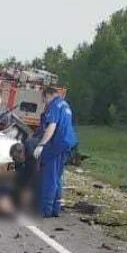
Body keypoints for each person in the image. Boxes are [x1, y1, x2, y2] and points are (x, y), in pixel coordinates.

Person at [34, 85, 78, 218]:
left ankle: (45, 210)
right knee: (58, 177)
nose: (44, 102)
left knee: (50, 177)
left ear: (48, 95)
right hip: (68, 143)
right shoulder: (65, 105)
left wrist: (41, 144)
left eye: (44, 99)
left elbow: (51, 127)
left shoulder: (54, 105)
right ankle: (55, 209)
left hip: (57, 144)